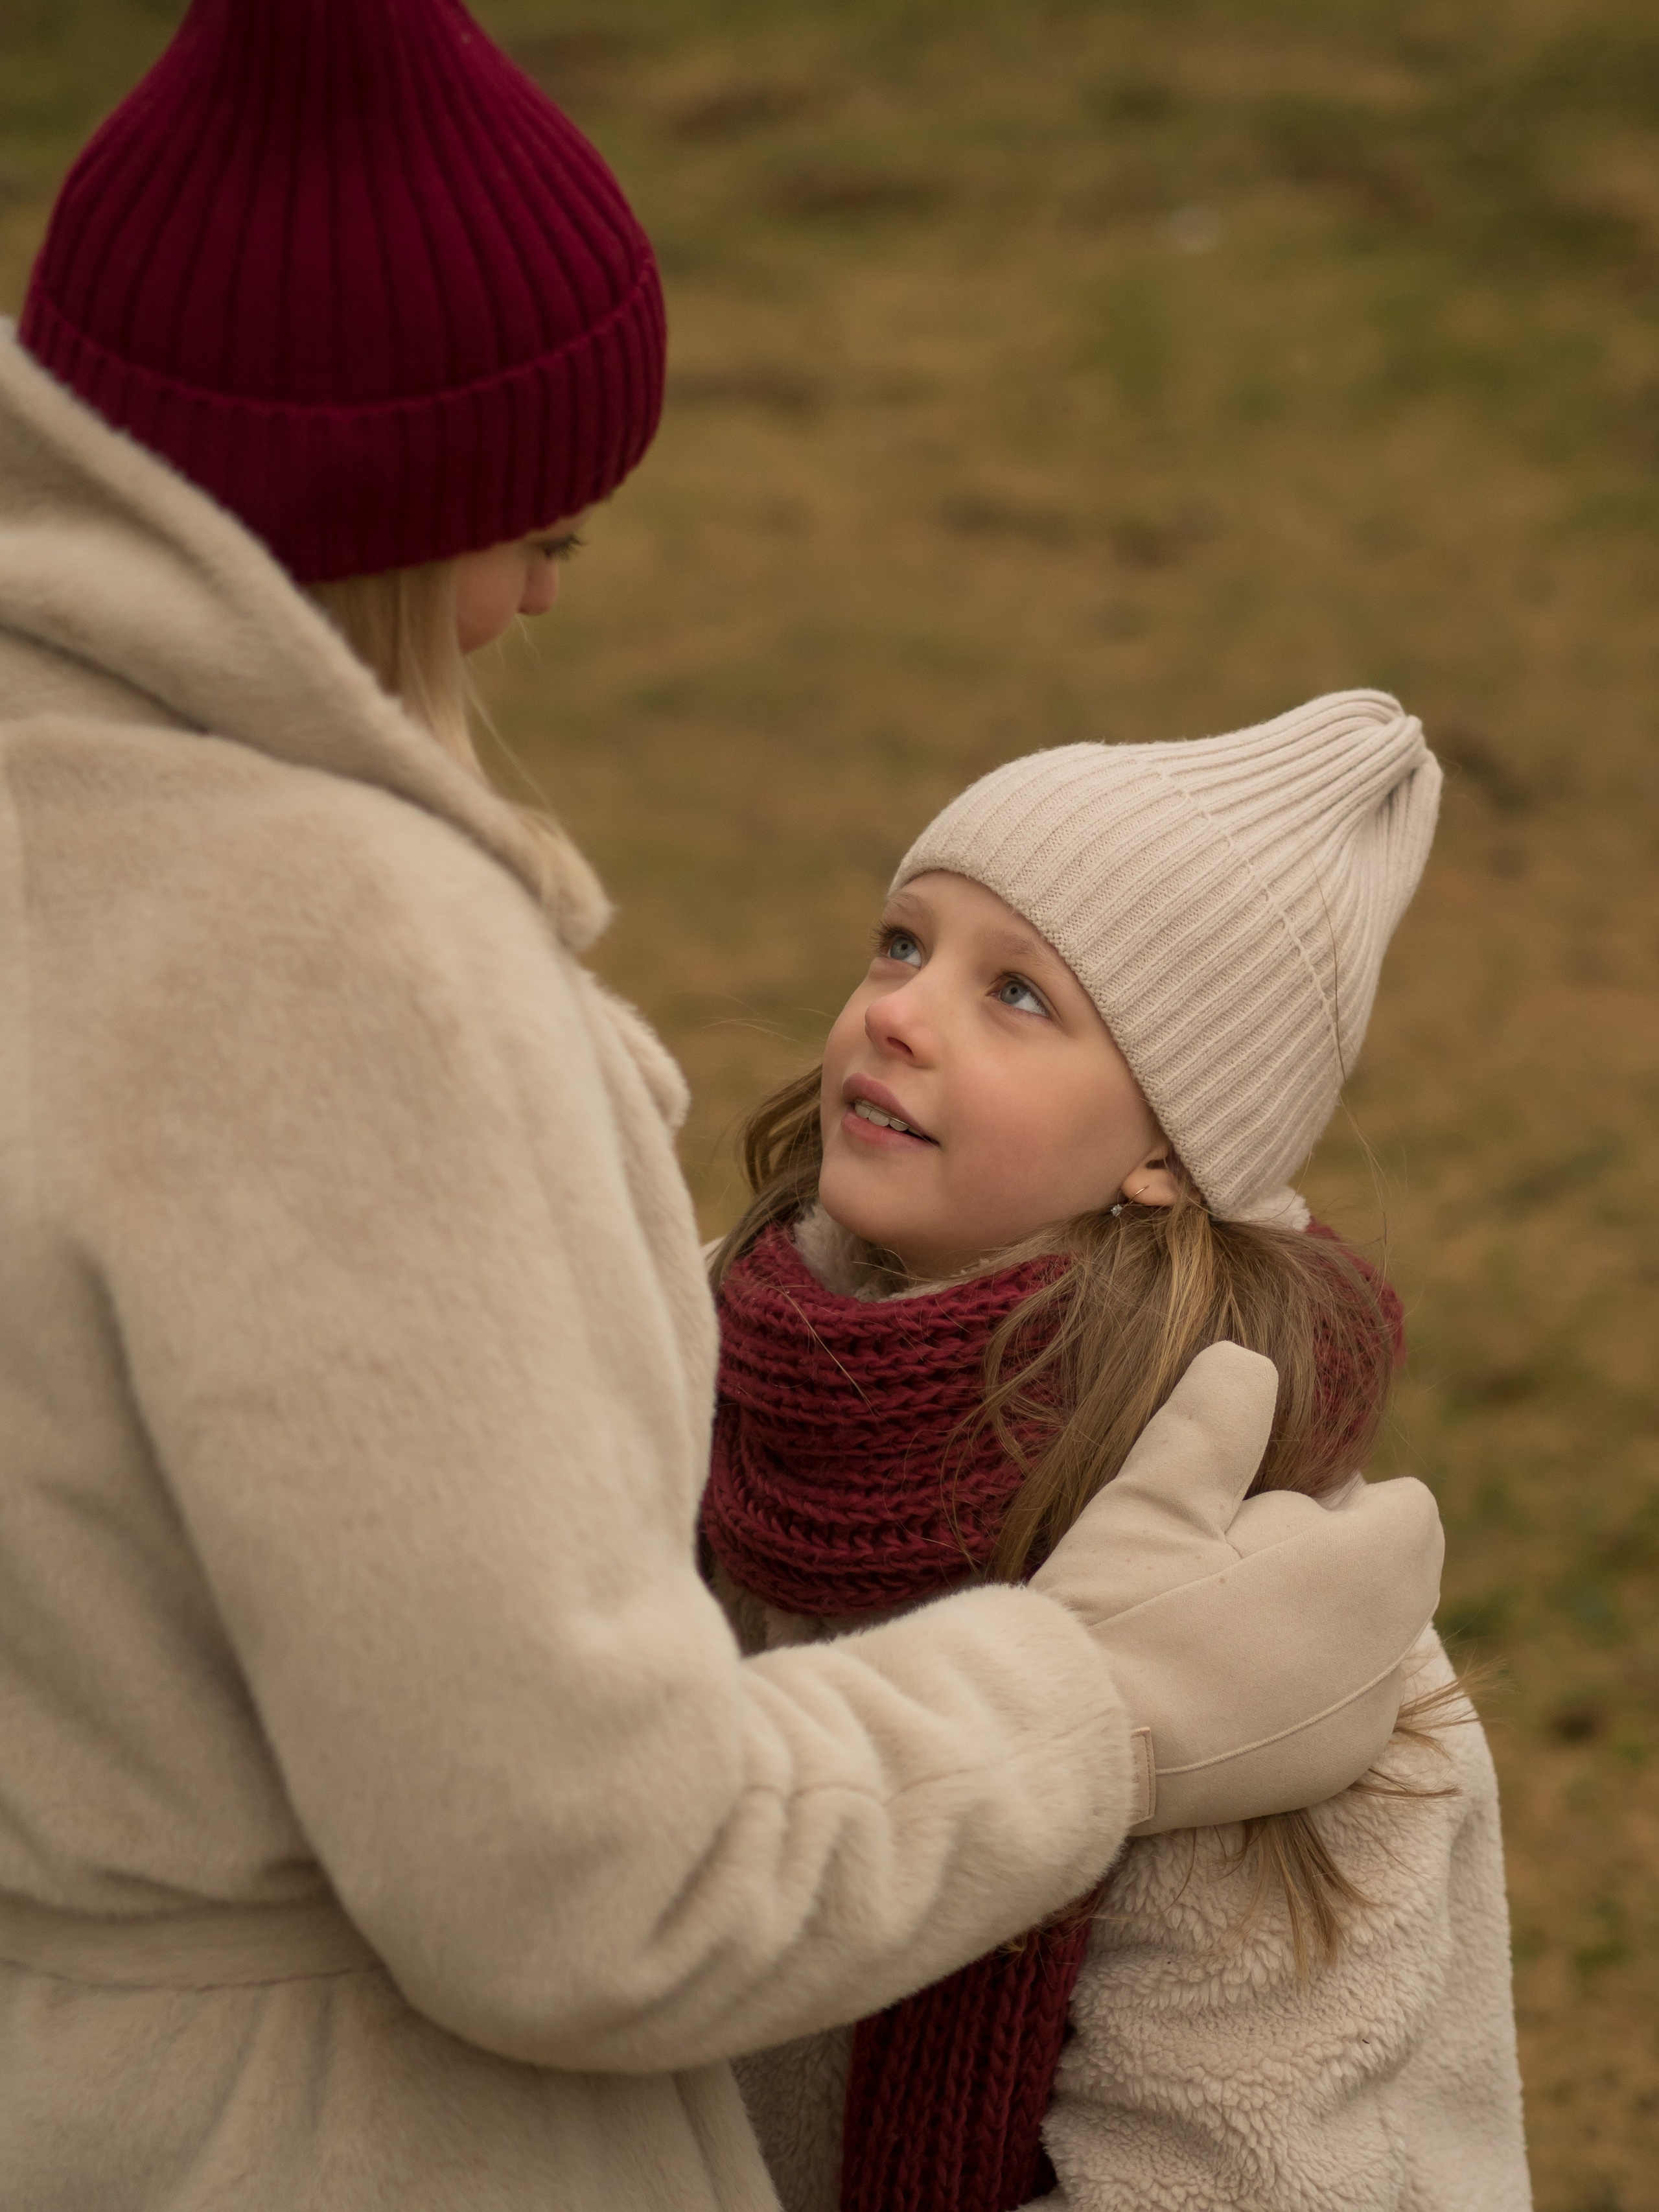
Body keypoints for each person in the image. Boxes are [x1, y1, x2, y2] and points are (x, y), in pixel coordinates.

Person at [0, 5, 1444, 2206]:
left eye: (1028, 990)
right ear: (404, 488)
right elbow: (581, 1874)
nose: (546, 593)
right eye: (540, 527)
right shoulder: (348, 971)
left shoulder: (54, 829)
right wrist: (1096, 1703)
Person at [702, 693, 1532, 2212]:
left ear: (1165, 1147)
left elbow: (1244, 2165)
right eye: (904, 942)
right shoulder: (704, 1388)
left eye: (1015, 995)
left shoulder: (1252, 1611)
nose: (898, 1008)